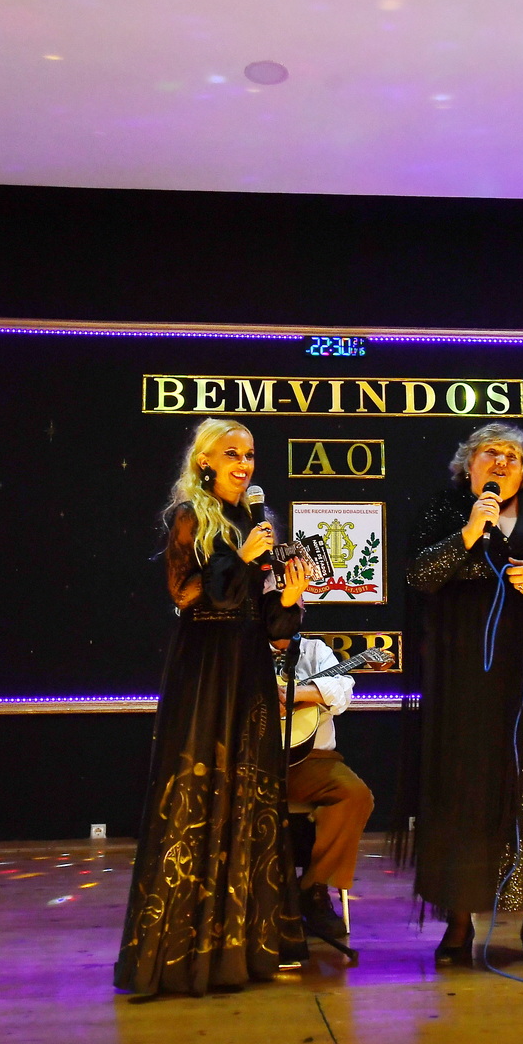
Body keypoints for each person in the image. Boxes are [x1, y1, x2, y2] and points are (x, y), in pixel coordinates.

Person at [114, 418, 313, 997]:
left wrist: (289, 597)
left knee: (250, 795)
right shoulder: (190, 518)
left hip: (249, 670)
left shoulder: (257, 522)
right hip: (204, 670)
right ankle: (182, 954)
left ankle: (244, 949)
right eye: (232, 454)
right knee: (198, 789)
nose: (244, 464)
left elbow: (271, 624)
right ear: (205, 461)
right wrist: (244, 559)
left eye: (250, 454)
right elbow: (187, 594)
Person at [404, 422, 523, 969]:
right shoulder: (446, 509)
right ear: (470, 465)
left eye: (513, 456)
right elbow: (419, 575)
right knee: (464, 794)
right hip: (464, 677)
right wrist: (468, 533)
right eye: (491, 453)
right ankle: (459, 921)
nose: (503, 462)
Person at [275, 634, 373, 942]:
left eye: (298, 610)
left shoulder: (315, 650)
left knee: (355, 795)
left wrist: (297, 692)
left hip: (313, 759)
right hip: (255, 758)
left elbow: (342, 691)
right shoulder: (243, 648)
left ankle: (313, 889)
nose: (293, 614)